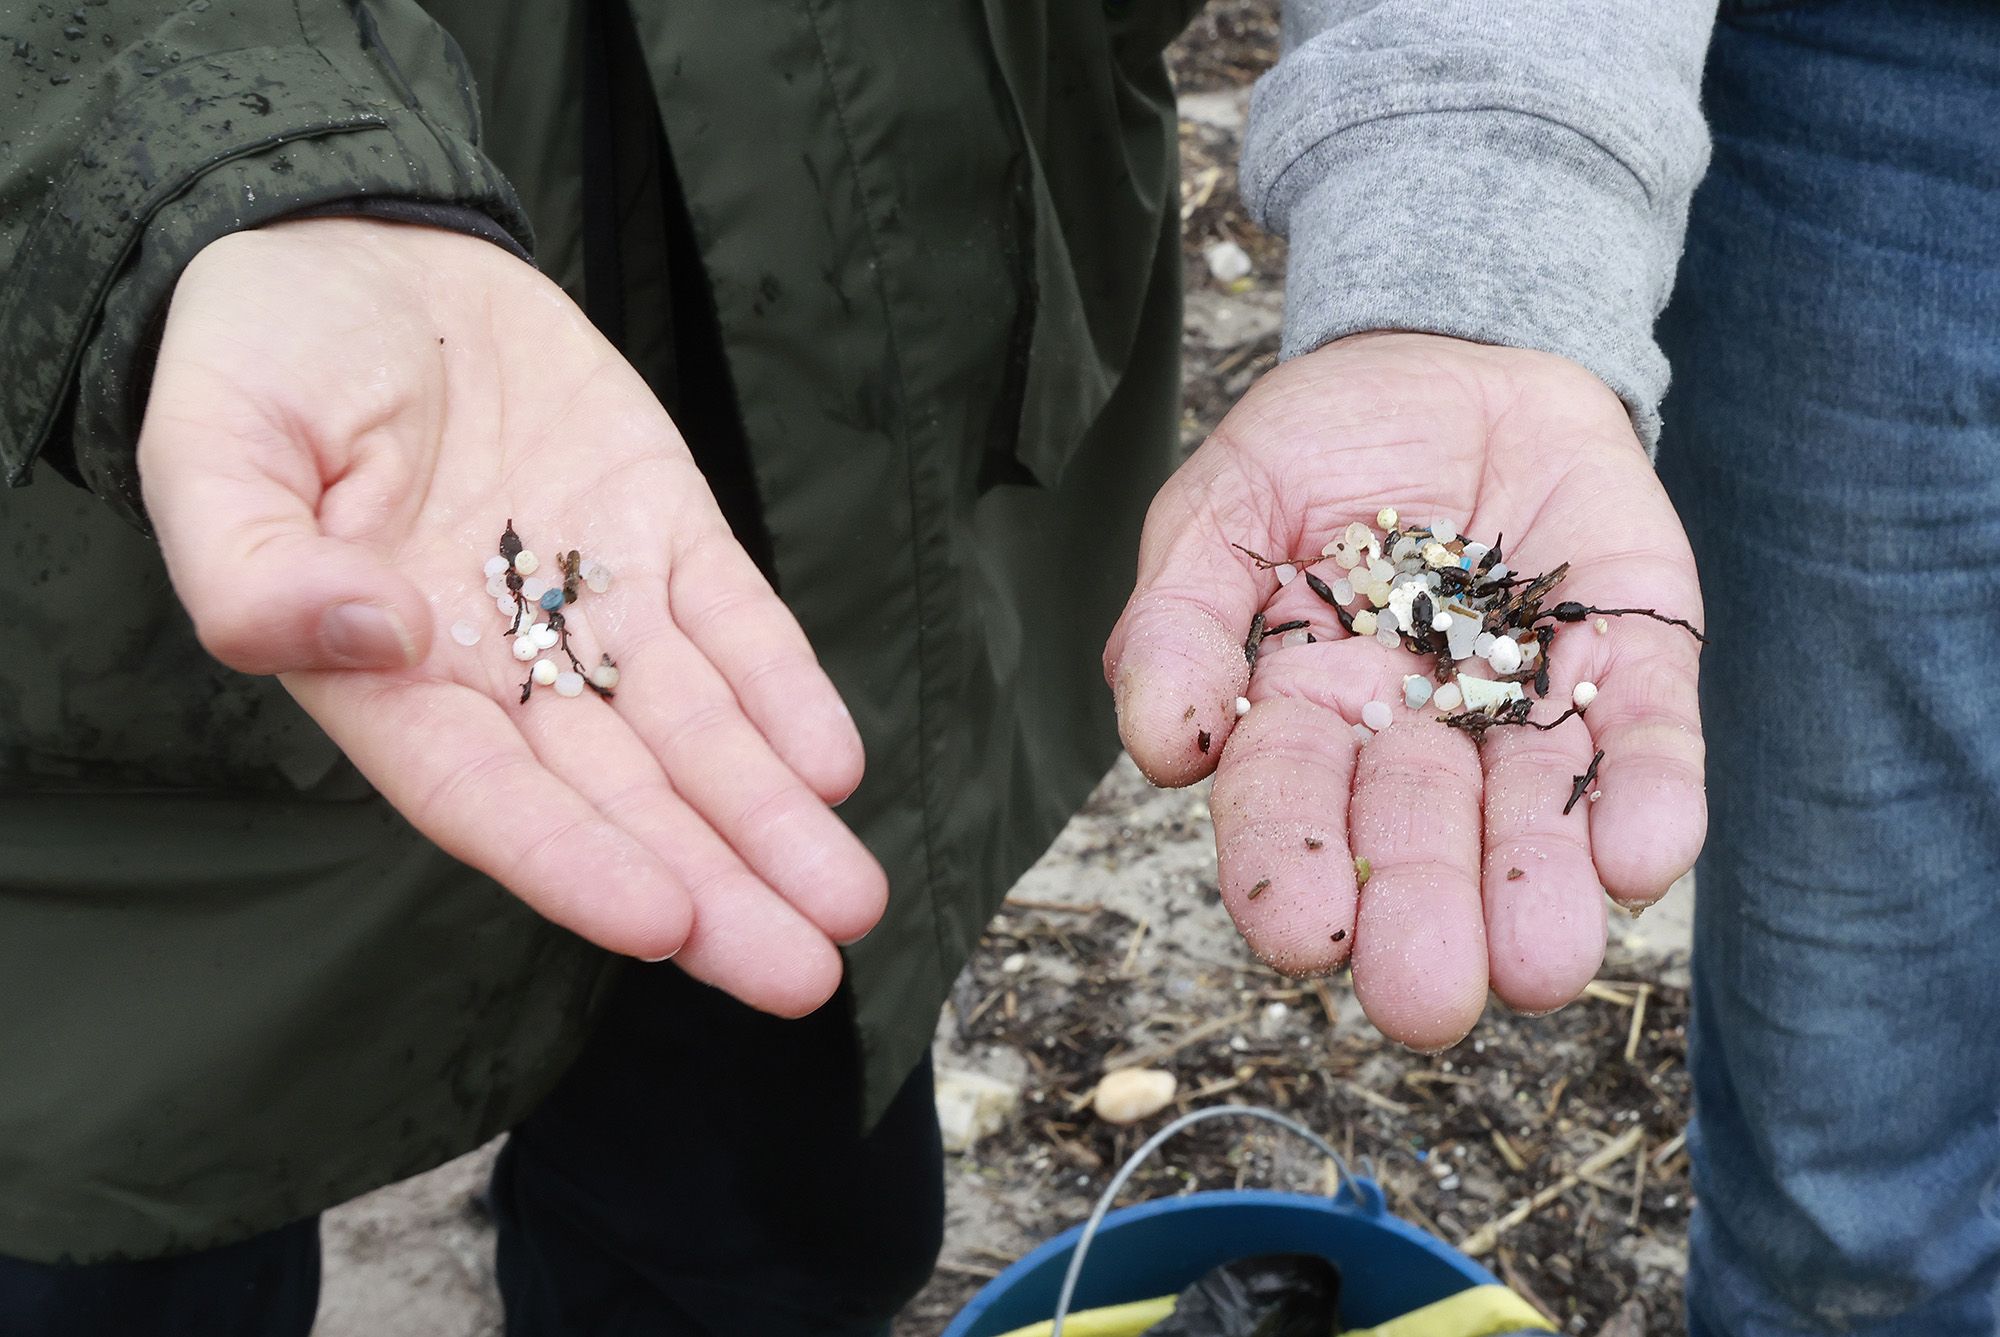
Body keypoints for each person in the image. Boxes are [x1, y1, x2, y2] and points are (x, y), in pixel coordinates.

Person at [2, 1, 1984, 1335]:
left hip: (879, 455)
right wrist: (211, 155)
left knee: (763, 1178)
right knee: (118, 1231)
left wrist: (1470, 250)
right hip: (111, 632)